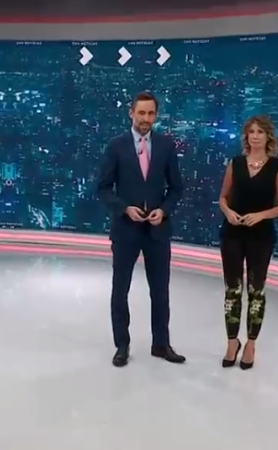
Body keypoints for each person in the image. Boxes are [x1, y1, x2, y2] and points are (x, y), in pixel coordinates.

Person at [96, 91, 185, 368]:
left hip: (157, 230)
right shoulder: (116, 146)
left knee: (160, 291)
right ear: (131, 113)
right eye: (142, 113)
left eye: (151, 113)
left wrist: (164, 210)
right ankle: (122, 345)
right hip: (126, 230)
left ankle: (161, 344)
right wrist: (124, 208)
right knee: (120, 289)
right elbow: (103, 188)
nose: (146, 118)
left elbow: (176, 188)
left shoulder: (166, 146)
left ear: (156, 116)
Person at [218, 115, 278, 370]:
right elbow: (223, 198)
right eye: (251, 132)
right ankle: (231, 342)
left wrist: (260, 215)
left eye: (260, 132)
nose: (255, 136)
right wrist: (228, 212)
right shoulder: (235, 163)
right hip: (232, 233)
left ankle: (250, 343)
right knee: (232, 289)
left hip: (261, 236)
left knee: (256, 290)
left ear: (268, 136)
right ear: (246, 137)